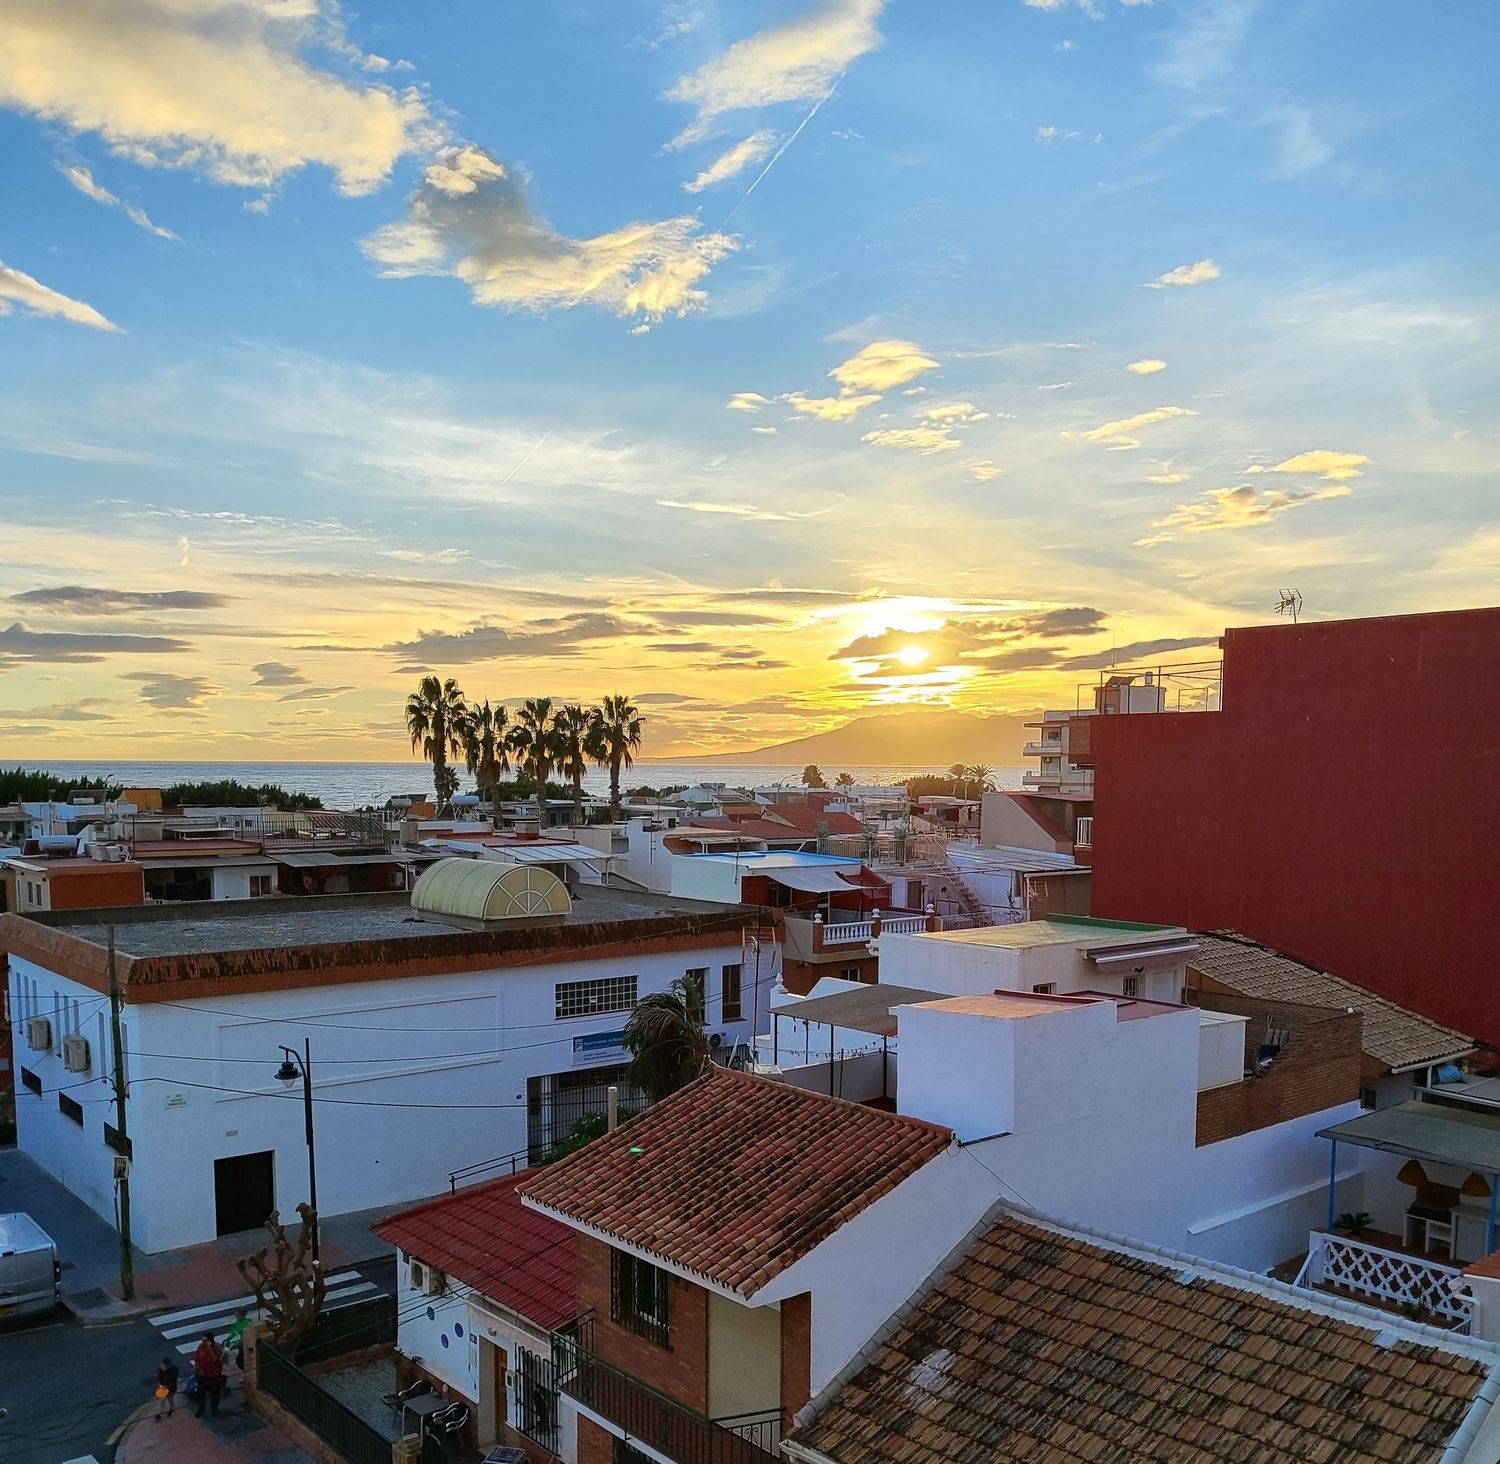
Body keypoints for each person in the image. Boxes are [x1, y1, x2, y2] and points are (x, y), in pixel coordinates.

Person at [192, 1332, 227, 1418]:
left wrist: (210, 1348)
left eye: (205, 1340)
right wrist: (199, 1368)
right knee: (201, 1394)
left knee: (214, 1395)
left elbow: (215, 1359)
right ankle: (201, 1409)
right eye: (202, 1340)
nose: (202, 1342)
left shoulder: (217, 1347)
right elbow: (196, 1359)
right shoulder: (200, 1347)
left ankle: (214, 1411)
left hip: (214, 1375)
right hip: (202, 1375)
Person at [153, 1357, 179, 1421]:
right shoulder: (161, 1370)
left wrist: (165, 1386)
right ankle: (160, 1413)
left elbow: (173, 1382)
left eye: (163, 1367)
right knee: (162, 1401)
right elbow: (159, 1377)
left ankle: (171, 1410)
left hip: (170, 1389)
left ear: (168, 1367)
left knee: (170, 1399)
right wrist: (161, 1384)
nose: (161, 1368)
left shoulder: (174, 1371)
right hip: (163, 1388)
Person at [225, 1307, 251, 1371]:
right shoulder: (238, 1322)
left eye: (238, 1316)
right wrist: (227, 1339)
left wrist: (234, 1346)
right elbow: (234, 1332)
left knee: (240, 1361)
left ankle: (247, 1372)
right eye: (236, 1316)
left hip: (246, 1345)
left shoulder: (246, 1324)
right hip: (242, 1345)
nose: (236, 1317)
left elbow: (243, 1339)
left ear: (243, 1315)